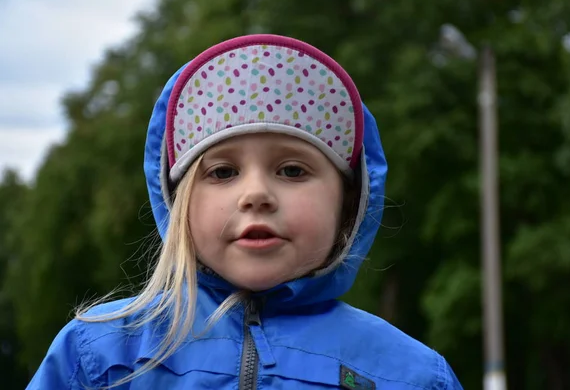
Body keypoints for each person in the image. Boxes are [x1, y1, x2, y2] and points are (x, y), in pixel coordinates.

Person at [27, 34, 463, 389]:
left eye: (292, 170)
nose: (255, 194)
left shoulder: (411, 375)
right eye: (222, 172)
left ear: (349, 204)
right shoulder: (99, 355)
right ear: (179, 202)